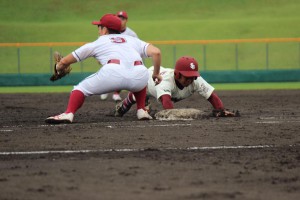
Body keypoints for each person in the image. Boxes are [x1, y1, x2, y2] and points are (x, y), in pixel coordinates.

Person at [45, 13, 162, 124]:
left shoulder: (98, 42)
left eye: (99, 27)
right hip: (139, 74)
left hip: (113, 72)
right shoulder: (133, 40)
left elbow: (65, 61)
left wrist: (58, 67)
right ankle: (141, 110)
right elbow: (156, 52)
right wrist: (156, 74)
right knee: (140, 74)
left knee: (80, 88)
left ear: (105, 29)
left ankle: (68, 113)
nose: (98, 29)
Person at [115, 56, 235, 117]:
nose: (190, 79)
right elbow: (168, 106)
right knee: (137, 97)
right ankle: (125, 104)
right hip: (147, 79)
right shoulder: (165, 81)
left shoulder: (195, 80)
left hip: (162, 76)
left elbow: (212, 97)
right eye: (187, 76)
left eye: (192, 76)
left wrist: (220, 110)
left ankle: (144, 102)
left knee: (145, 106)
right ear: (177, 74)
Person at [100, 10, 138, 102]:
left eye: (123, 18)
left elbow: (137, 46)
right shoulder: (110, 30)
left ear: (126, 20)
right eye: (119, 18)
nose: (121, 20)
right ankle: (105, 89)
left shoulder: (131, 34)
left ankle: (116, 93)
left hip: (125, 58)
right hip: (111, 56)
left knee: (122, 74)